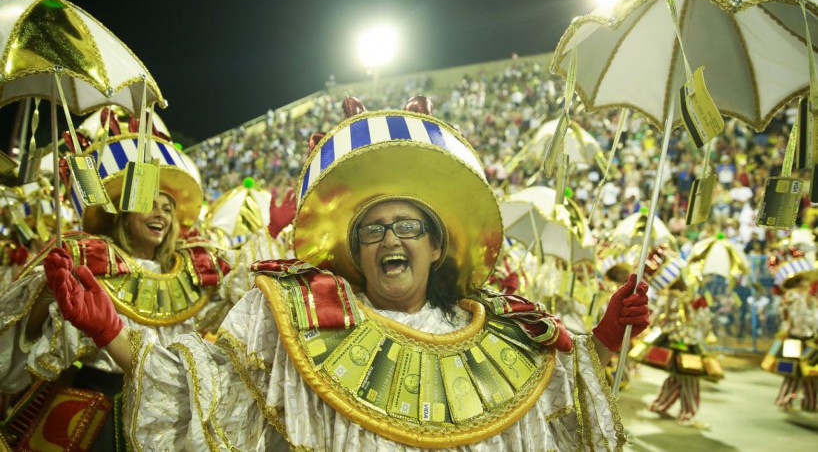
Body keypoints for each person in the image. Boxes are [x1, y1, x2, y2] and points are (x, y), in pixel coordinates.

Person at [44, 97, 649, 450]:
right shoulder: (291, 316)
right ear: (353, 251)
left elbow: (562, 412)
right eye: (372, 229)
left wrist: (601, 340)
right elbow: (203, 389)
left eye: (408, 226)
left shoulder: (507, 332)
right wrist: (110, 333)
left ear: (437, 246)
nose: (390, 239)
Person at [0, 122, 233, 450]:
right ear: (123, 214)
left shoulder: (193, 274)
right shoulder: (90, 263)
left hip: (168, 415)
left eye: (168, 208)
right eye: (149, 203)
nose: (161, 215)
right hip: (96, 413)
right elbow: (29, 344)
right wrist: (47, 295)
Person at [629, 245, 723, 427]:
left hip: (672, 341)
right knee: (690, 379)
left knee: (677, 376)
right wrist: (701, 309)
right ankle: (688, 414)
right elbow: (699, 322)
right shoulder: (687, 298)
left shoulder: (668, 297)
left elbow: (657, 319)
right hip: (687, 342)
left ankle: (660, 404)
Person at [762, 235, 818, 412]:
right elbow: (798, 317)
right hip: (796, 337)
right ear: (798, 281)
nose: (808, 283)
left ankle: (810, 403)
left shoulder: (806, 297)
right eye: (805, 280)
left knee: (811, 372)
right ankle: (785, 400)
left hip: (808, 337)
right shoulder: (793, 296)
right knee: (793, 372)